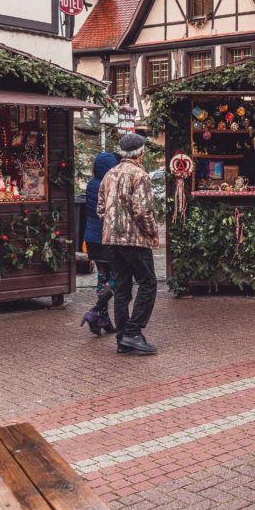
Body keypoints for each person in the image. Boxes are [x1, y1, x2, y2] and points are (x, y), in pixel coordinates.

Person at [97, 133, 161, 355]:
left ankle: (123, 338)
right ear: (140, 153)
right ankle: (133, 332)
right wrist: (153, 231)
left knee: (122, 287)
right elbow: (142, 210)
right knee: (148, 284)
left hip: (111, 240)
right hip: (134, 240)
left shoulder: (109, 174)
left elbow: (100, 208)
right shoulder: (140, 175)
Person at [80, 151, 120, 336]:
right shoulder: (107, 186)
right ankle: (96, 311)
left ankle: (103, 319)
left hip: (92, 239)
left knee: (102, 277)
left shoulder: (91, 184)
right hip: (106, 239)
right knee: (117, 279)